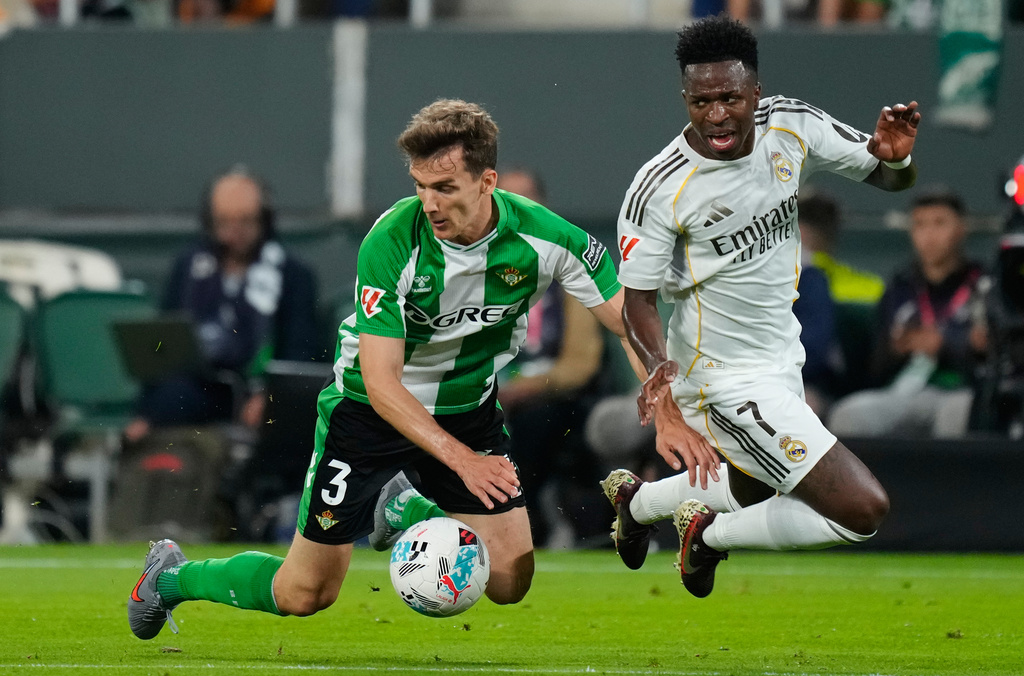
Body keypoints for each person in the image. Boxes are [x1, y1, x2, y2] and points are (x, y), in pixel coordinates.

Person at [126, 99, 643, 639]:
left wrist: (662, 388)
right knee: (305, 594)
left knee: (510, 581)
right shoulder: (391, 241)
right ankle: (171, 577)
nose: (430, 203)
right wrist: (463, 462)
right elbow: (380, 382)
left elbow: (629, 320)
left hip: (469, 410)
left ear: (487, 181)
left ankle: (404, 509)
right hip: (367, 415)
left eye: (445, 188)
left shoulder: (549, 238)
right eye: (420, 186)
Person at [600, 15, 918, 598]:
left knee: (747, 487)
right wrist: (661, 387)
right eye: (701, 101)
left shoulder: (790, 125)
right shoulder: (661, 187)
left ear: (756, 92)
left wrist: (894, 160)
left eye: (729, 97)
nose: (716, 114)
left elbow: (885, 173)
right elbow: (637, 303)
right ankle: (708, 538)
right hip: (718, 377)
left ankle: (636, 501)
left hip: (779, 357)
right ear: (685, 98)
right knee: (861, 508)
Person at [122, 168, 319, 444]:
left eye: (245, 222)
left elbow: (301, 352)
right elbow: (163, 344)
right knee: (169, 398)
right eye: (224, 222)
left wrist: (271, 397)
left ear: (264, 220)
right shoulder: (189, 266)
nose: (233, 233)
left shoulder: (292, 273)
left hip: (257, 392)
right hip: (199, 387)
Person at [495, 168, 610, 547]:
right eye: (505, 200)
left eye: (527, 200)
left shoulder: (569, 263)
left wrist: (521, 389)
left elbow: (579, 365)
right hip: (485, 386)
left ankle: (528, 517)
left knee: (534, 423)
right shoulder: (471, 264)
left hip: (553, 397)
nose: (516, 211)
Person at [828, 188, 987, 439]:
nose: (929, 235)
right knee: (848, 414)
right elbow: (874, 365)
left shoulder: (983, 283)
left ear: (961, 229)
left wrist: (944, 344)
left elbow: (992, 351)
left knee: (957, 413)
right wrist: (896, 348)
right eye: (920, 225)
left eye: (940, 223)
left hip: (960, 389)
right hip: (903, 389)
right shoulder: (901, 286)